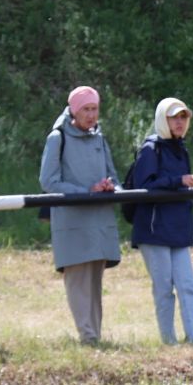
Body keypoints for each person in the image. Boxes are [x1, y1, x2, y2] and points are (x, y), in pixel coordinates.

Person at [41, 86, 122, 344]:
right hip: (72, 222)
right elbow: (48, 181)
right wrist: (85, 192)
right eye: (86, 109)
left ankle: (94, 336)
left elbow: (115, 177)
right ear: (74, 111)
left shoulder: (100, 138)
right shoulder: (57, 138)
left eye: (94, 109)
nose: (91, 114)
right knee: (78, 281)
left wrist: (111, 187)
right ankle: (87, 337)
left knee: (96, 284)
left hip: (99, 221)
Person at [128, 97, 193, 345]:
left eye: (183, 117)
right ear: (163, 119)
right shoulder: (151, 149)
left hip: (178, 230)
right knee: (164, 290)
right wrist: (178, 180)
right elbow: (144, 186)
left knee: (187, 286)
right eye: (174, 117)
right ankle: (169, 342)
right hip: (153, 230)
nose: (180, 122)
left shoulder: (182, 149)